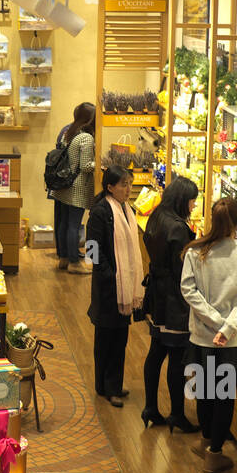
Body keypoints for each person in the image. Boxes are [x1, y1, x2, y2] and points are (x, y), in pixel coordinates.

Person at [180, 196, 237, 473]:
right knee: (224, 395)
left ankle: (205, 441)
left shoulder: (196, 251)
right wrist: (227, 328)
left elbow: (189, 290)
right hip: (233, 341)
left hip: (202, 337)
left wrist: (214, 323)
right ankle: (215, 452)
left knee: (203, 391)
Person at [140, 176, 200, 432]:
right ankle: (177, 413)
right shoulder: (178, 228)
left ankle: (151, 407)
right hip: (174, 300)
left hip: (157, 295)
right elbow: (182, 270)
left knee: (156, 351)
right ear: (182, 200)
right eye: (192, 201)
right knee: (177, 357)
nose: (193, 206)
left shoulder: (157, 216)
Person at [86, 165, 145, 407]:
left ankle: (110, 385)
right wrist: (109, 275)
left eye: (130, 183)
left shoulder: (125, 209)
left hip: (124, 287)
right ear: (110, 187)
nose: (128, 189)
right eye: (123, 184)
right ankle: (107, 387)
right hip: (109, 288)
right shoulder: (101, 211)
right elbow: (92, 249)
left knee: (119, 338)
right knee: (106, 339)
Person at [50, 102, 96, 274]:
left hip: (63, 185)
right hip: (76, 188)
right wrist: (99, 164)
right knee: (73, 226)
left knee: (63, 223)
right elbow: (85, 166)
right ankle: (75, 263)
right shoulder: (86, 138)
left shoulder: (67, 133)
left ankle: (63, 258)